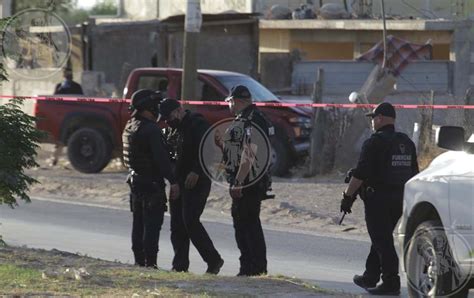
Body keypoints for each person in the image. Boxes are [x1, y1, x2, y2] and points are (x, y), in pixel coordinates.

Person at [341, 102, 419, 295]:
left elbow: (360, 174)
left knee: (382, 240)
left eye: (374, 118)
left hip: (378, 199)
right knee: (381, 237)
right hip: (400, 199)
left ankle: (391, 282)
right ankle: (370, 275)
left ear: (381, 118)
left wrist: (347, 196)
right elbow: (414, 173)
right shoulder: (406, 142)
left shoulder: (374, 142)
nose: (372, 122)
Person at [159, 98, 224, 274]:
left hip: (198, 181)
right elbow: (170, 157)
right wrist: (173, 181)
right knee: (177, 224)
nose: (167, 121)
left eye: (169, 116)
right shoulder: (171, 130)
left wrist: (196, 171)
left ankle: (213, 260)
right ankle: (179, 266)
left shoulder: (198, 124)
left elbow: (209, 151)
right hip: (178, 182)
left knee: (190, 221)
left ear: (179, 110)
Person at [218, 85, 274, 276]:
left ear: (238, 101)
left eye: (231, 102)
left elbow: (250, 153)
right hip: (245, 180)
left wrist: (239, 182)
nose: (229, 105)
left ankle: (254, 269)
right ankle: (250, 267)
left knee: (247, 225)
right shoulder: (244, 118)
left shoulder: (252, 120)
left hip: (249, 182)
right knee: (244, 224)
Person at [122, 89, 180, 269]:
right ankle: (150, 263)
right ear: (147, 107)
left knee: (138, 224)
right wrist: (174, 181)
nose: (157, 109)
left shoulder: (130, 125)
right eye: (155, 105)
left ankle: (139, 261)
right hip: (151, 184)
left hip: (135, 182)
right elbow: (161, 160)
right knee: (151, 226)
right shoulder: (151, 129)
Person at [51, 67, 84, 166]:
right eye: (67, 73)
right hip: (62, 117)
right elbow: (55, 99)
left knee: (74, 139)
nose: (68, 75)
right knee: (59, 140)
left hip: (75, 116)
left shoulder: (76, 86)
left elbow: (81, 99)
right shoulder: (59, 86)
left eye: (69, 73)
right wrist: (62, 89)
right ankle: (55, 159)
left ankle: (74, 160)